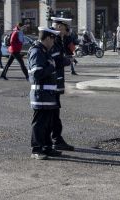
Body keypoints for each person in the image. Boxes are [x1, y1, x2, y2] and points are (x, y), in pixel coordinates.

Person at [28, 27, 62, 160]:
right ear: (48, 38)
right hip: (40, 94)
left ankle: (47, 147)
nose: (54, 42)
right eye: (53, 38)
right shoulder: (37, 51)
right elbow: (37, 73)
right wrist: (52, 67)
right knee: (39, 123)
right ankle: (36, 149)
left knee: (47, 123)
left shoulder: (44, 51)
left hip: (47, 94)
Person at [50, 17, 75, 151]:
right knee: (52, 114)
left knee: (54, 113)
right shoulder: (53, 40)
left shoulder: (59, 39)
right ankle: (54, 141)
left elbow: (69, 49)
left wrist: (68, 38)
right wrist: (67, 61)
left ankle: (55, 140)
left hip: (56, 82)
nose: (67, 31)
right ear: (59, 27)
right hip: (52, 83)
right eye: (66, 28)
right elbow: (56, 60)